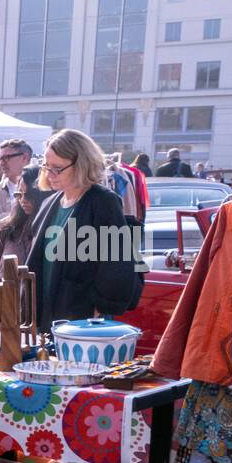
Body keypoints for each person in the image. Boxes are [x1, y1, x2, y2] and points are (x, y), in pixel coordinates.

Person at [24, 129, 138, 331]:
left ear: (82, 165)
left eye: (57, 168)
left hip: (83, 319)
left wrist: (99, 307)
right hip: (45, 312)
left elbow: (116, 262)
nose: (50, 174)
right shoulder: (51, 201)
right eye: (46, 166)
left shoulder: (103, 201)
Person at [0, 167, 50, 291]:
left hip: (37, 303)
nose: (23, 200)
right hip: (6, 302)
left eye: (29, 195)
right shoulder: (8, 228)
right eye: (19, 194)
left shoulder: (52, 229)